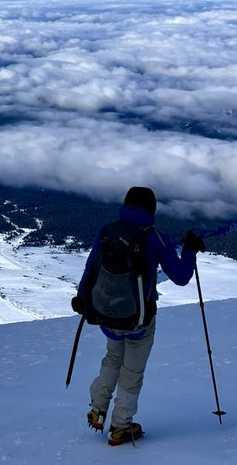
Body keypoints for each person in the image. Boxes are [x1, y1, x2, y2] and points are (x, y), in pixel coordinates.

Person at [71, 186, 205, 445]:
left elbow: (90, 269)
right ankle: (120, 426)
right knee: (131, 370)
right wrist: (189, 250)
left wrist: (83, 300)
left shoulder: (107, 231)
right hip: (139, 320)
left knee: (112, 357)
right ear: (151, 209)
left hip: (107, 316)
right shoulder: (153, 236)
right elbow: (181, 276)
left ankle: (97, 409)